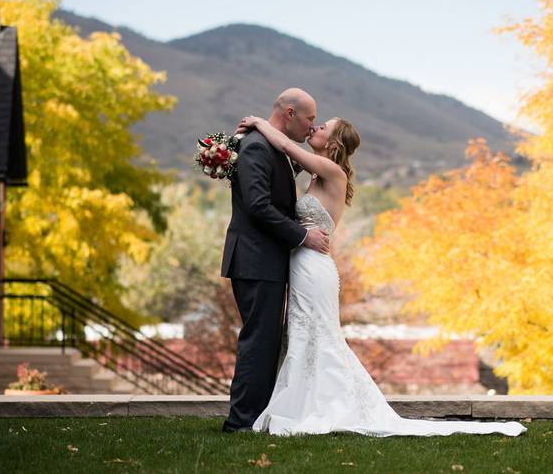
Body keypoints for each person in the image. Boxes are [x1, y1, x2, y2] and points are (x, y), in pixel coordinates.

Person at [235, 113, 527, 437]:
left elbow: (288, 147)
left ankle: (324, 407)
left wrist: (260, 124)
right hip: (303, 264)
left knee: (318, 336)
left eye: (322, 127)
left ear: (332, 143)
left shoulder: (331, 171)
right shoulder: (317, 175)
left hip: (314, 268)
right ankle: (302, 403)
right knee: (302, 336)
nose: (315, 128)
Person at [220, 88, 330, 433]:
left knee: (266, 340)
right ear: (290, 114)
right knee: (259, 339)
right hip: (255, 258)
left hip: (266, 259)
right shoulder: (255, 146)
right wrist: (302, 235)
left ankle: (256, 415)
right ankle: (240, 421)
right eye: (311, 118)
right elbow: (258, 205)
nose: (313, 126)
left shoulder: (269, 146)